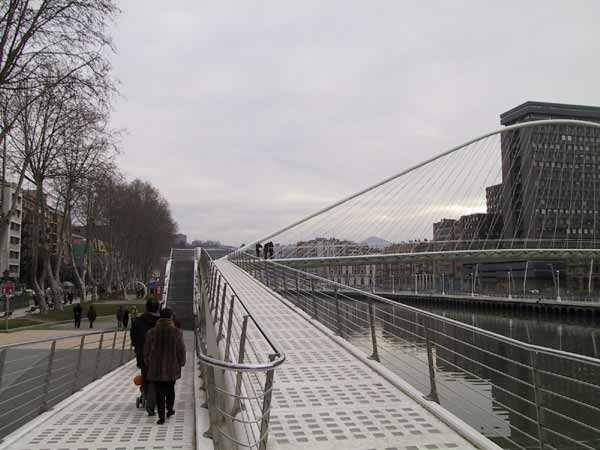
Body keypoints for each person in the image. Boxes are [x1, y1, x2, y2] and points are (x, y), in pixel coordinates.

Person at [144, 308, 186, 425]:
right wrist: (181, 362)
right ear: (171, 317)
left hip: (155, 367)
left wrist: (148, 362)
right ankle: (170, 410)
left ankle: (161, 417)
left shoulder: (151, 332)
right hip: (171, 367)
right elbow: (181, 350)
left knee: (159, 392)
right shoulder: (177, 332)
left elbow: (146, 351)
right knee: (170, 390)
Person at [131, 299, 160, 416]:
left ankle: (147, 396)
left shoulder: (137, 322)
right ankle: (156, 398)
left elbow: (133, 340)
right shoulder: (161, 322)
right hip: (159, 356)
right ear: (157, 308)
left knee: (146, 375)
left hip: (143, 355)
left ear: (146, 308)